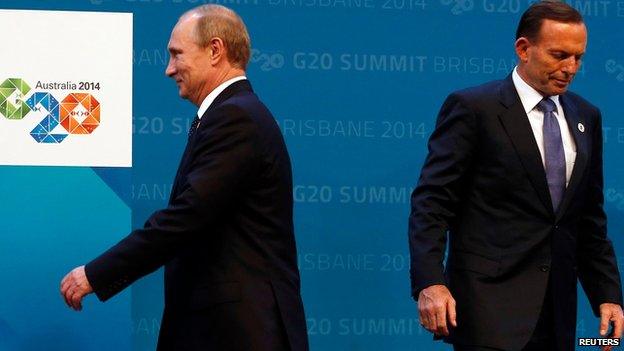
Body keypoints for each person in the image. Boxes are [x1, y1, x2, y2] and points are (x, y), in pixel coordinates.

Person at [60, 5, 309, 351]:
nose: (168, 69)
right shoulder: (230, 115)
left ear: (215, 50)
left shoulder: (236, 119)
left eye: (177, 55)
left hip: (238, 333)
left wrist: (95, 274)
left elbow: (184, 219)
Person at [408, 1, 623, 350]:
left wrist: (608, 296)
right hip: (488, 307)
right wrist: (431, 282)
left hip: (557, 312)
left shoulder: (587, 116)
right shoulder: (475, 108)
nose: (570, 68)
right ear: (524, 49)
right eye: (559, 55)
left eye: (578, 57)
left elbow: (588, 219)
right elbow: (432, 203)